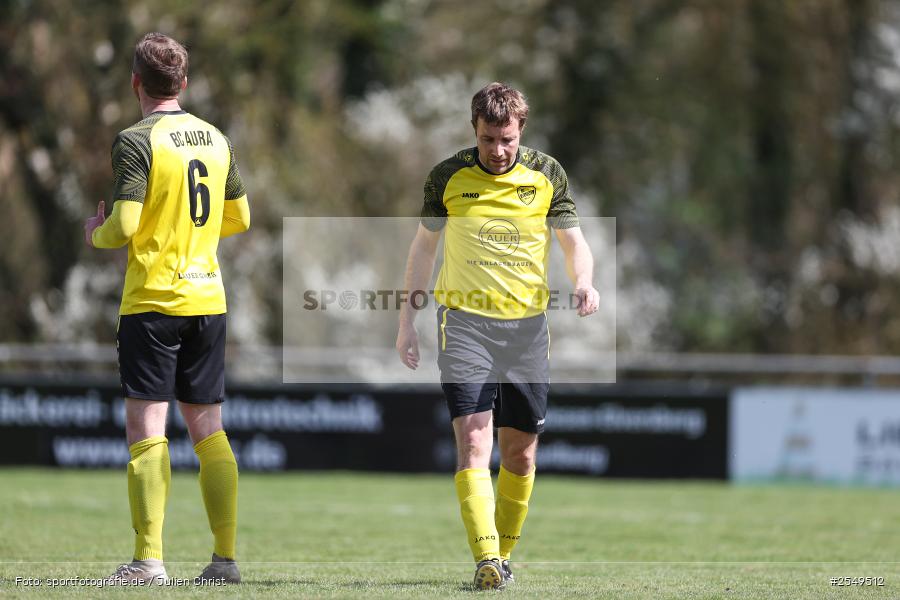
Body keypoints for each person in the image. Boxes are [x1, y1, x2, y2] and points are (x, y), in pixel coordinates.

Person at [396, 82, 599, 590]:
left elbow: (574, 242)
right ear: (475, 130)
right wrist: (406, 321)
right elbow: (423, 249)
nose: (498, 151)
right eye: (488, 140)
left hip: (528, 330)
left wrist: (585, 282)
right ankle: (485, 558)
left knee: (521, 452)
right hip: (464, 323)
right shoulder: (447, 177)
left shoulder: (547, 174)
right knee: (473, 441)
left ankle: (502, 558)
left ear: (520, 131)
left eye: (506, 139)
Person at [83, 32, 250, 585]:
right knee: (209, 429)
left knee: (147, 428)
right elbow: (240, 218)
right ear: (184, 83)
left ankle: (148, 561)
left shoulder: (136, 139)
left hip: (153, 302)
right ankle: (224, 560)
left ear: (135, 83)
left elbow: (125, 226)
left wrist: (96, 235)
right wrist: (196, 239)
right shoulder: (216, 137)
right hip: (208, 299)